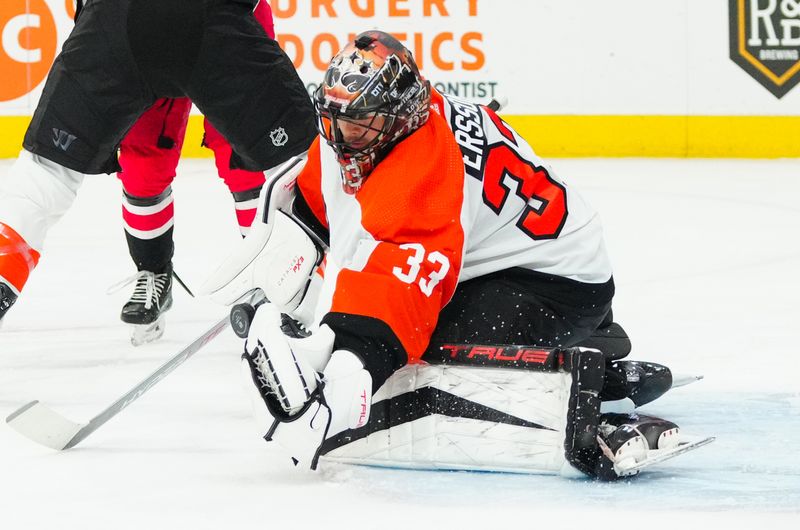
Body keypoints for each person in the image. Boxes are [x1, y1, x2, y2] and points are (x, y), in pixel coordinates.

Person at [201, 31, 685, 479]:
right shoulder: (387, 120)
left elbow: (399, 298)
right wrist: (287, 256)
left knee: (422, 347)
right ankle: (591, 337)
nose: (343, 137)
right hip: (527, 256)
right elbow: (321, 197)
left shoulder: (423, 179)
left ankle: (585, 363)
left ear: (400, 118)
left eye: (359, 126)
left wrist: (345, 373)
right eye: (334, 119)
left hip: (553, 284)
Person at [0, 0, 316, 325]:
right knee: (145, 165)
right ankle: (156, 270)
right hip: (175, 21)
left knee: (249, 163)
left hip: (133, 23)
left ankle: (277, 273)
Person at [115, 0, 277, 345]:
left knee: (245, 153)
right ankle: (153, 271)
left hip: (231, 12)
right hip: (151, 19)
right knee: (143, 157)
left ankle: (272, 277)